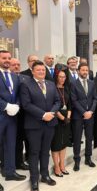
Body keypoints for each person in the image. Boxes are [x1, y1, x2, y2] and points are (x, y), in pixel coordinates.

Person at [20, 60, 61, 191]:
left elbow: (57, 101)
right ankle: (34, 179)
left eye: (43, 70)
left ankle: (45, 175)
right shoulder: (26, 84)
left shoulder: (50, 84)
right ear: (32, 71)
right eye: (38, 70)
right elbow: (26, 104)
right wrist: (43, 114)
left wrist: (52, 113)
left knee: (45, 151)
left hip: (50, 124)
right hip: (34, 125)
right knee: (34, 152)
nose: (41, 72)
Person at [0, 50, 26, 183]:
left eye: (9, 58)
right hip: (1, 114)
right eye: (4, 58)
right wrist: (5, 106)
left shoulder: (15, 77)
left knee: (10, 144)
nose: (7, 60)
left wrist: (16, 105)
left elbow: (19, 94)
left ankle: (10, 172)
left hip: (12, 117)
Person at [70, 63, 97, 171]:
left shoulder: (92, 83)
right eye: (83, 70)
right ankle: (77, 160)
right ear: (78, 71)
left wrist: (90, 111)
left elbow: (95, 98)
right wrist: (83, 112)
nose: (85, 72)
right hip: (78, 115)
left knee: (89, 137)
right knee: (77, 138)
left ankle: (88, 158)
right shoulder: (73, 84)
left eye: (86, 70)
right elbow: (74, 100)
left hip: (90, 115)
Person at [9, 58, 30, 170]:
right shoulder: (6, 78)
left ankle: (23, 160)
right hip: (10, 115)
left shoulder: (26, 78)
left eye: (18, 64)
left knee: (23, 139)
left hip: (25, 115)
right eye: (14, 64)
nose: (16, 66)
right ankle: (13, 163)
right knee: (13, 141)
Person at [51, 70, 71, 177]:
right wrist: (62, 118)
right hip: (56, 119)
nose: (62, 79)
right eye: (60, 77)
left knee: (64, 144)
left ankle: (62, 165)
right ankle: (56, 166)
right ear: (56, 77)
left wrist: (68, 117)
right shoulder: (52, 88)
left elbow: (70, 104)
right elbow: (53, 105)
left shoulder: (67, 89)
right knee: (56, 144)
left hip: (66, 120)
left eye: (64, 77)